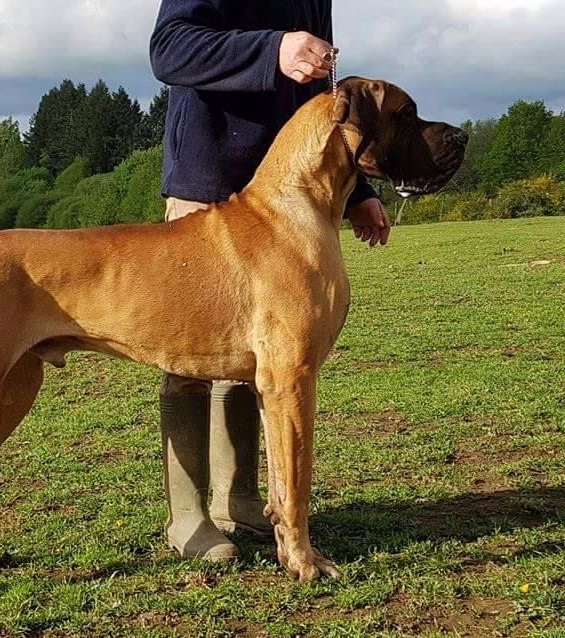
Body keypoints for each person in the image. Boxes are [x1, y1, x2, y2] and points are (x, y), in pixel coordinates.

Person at [150, 0, 391, 561]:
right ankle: (187, 516)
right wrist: (272, 49)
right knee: (187, 356)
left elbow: (326, 105)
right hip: (207, 175)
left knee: (261, 356)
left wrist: (358, 189)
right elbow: (169, 49)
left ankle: (237, 498)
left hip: (288, 184)